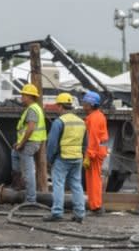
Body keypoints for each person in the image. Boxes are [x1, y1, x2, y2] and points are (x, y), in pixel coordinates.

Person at [43, 92, 86, 223]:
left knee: (58, 185)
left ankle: (57, 213)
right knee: (76, 185)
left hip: (62, 158)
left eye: (57, 106)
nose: (56, 108)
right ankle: (79, 214)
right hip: (77, 158)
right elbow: (85, 143)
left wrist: (50, 159)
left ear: (61, 106)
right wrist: (81, 155)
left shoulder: (59, 122)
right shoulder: (81, 122)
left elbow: (52, 144)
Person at [11, 83, 46, 204]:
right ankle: (18, 185)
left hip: (30, 143)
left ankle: (31, 199)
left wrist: (21, 143)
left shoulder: (32, 110)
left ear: (29, 96)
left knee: (28, 171)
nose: (21, 97)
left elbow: (30, 128)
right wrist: (19, 143)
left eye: (23, 95)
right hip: (30, 142)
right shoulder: (34, 108)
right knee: (14, 155)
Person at [82, 90, 108, 214]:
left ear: (91, 104)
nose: (83, 105)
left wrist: (89, 155)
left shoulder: (94, 118)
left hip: (95, 152)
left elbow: (93, 138)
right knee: (93, 179)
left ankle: (96, 206)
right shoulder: (97, 116)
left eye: (85, 103)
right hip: (98, 151)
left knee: (94, 180)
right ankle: (95, 205)